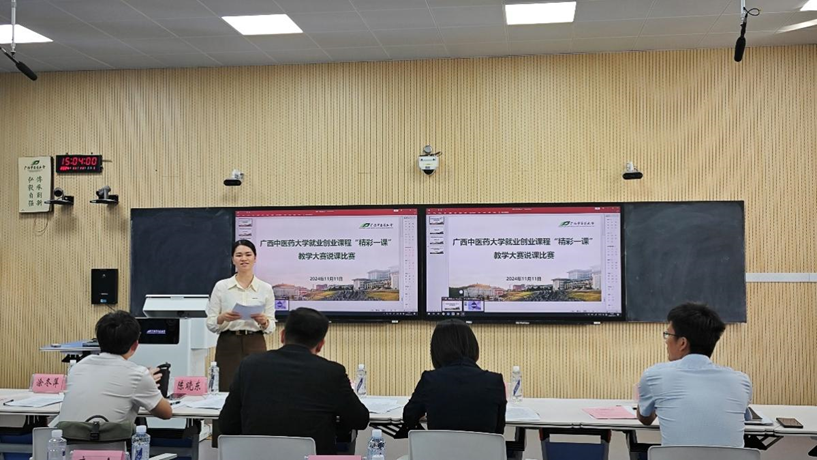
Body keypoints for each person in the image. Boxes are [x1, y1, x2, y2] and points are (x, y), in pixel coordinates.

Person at [219, 307, 369, 454]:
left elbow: (227, 425)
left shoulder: (249, 365)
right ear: (320, 345)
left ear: (282, 336)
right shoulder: (332, 373)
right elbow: (360, 420)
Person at [637, 302, 752, 447]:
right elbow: (743, 418)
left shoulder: (654, 376)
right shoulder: (741, 381)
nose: (666, 341)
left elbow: (645, 419)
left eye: (668, 335)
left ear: (682, 343)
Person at [59, 311, 172, 423]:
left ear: (99, 341)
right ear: (135, 345)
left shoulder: (77, 367)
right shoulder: (138, 375)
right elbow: (166, 413)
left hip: (67, 435)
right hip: (108, 435)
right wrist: (147, 382)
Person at [398, 319, 506, 437]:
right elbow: (498, 430)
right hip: (484, 449)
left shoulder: (430, 380)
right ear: (473, 346)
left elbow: (409, 416)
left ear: (437, 350)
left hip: (439, 449)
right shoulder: (494, 381)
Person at [206, 240, 276, 391]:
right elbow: (211, 323)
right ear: (233, 259)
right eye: (239, 255)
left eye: (248, 254)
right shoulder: (221, 286)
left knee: (257, 387)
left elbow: (271, 327)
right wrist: (222, 317)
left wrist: (264, 321)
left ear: (255, 258)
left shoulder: (265, 288)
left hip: (255, 341)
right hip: (228, 342)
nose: (244, 258)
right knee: (227, 387)